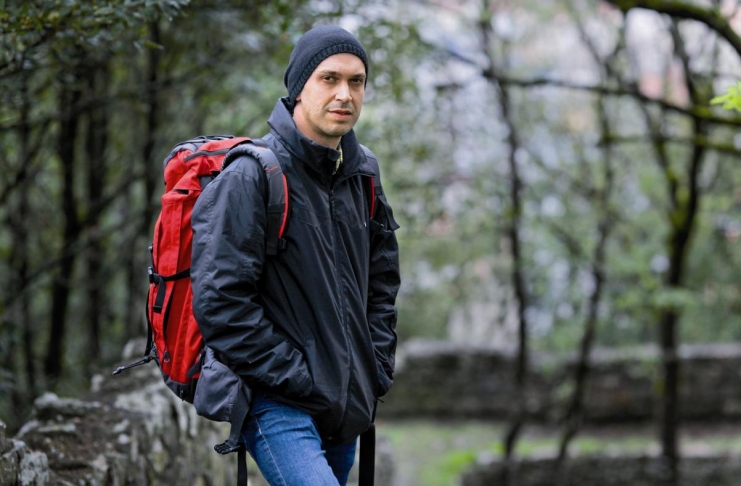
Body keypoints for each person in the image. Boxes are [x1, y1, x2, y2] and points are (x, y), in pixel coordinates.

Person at [190, 25, 401, 486]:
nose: (345, 94)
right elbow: (220, 302)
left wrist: (375, 367)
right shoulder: (251, 175)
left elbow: (382, 283)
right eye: (329, 79)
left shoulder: (363, 174)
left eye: (356, 81)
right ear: (300, 87)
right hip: (278, 398)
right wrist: (298, 377)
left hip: (345, 398)